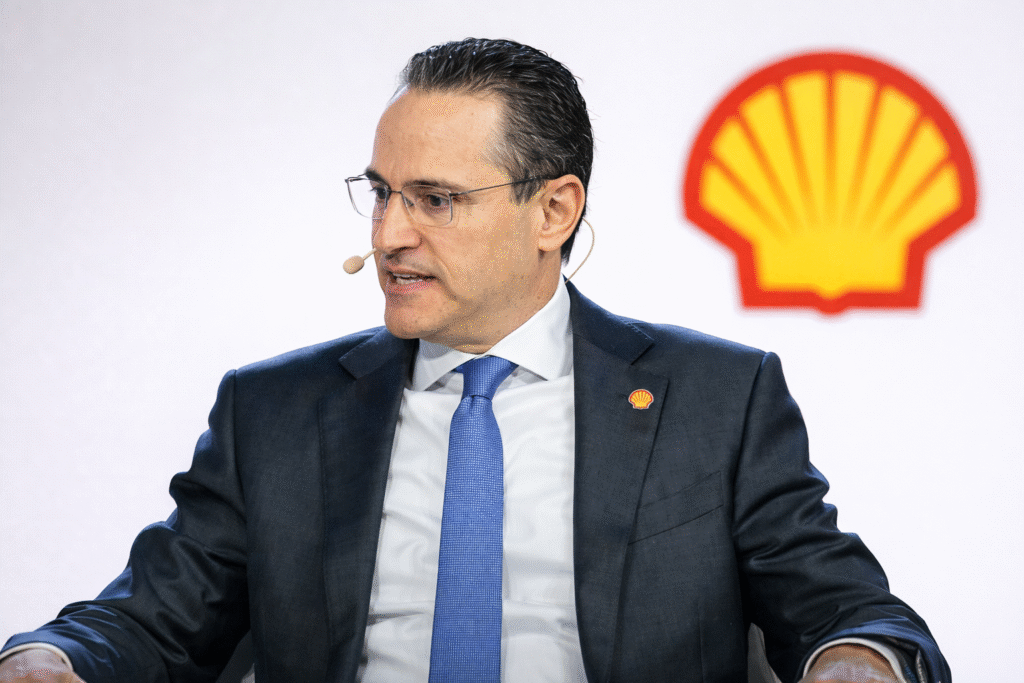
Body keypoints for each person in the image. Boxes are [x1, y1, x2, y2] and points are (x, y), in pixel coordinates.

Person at [0, 38, 949, 683]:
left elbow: (851, 613)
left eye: (436, 199)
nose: (388, 234)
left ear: (553, 211)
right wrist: (51, 658)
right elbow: (151, 622)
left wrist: (857, 661)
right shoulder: (274, 411)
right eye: (380, 192)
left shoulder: (718, 400)